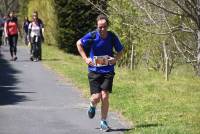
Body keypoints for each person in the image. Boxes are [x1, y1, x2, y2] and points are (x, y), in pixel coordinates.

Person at [76, 14, 124, 132]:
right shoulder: (92, 35)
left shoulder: (112, 36)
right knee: (96, 98)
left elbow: (121, 51)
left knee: (105, 96)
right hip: (94, 71)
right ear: (97, 26)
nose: (102, 29)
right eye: (100, 27)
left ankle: (103, 121)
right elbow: (78, 43)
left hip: (108, 70)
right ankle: (92, 106)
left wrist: (115, 59)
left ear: (107, 26)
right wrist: (86, 59)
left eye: (104, 27)